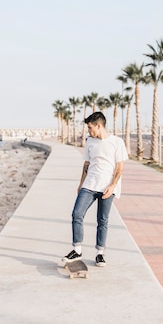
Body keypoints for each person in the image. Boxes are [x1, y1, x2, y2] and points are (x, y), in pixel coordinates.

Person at [62, 111, 128, 267]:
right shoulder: (90, 141)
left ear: (99, 126)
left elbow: (120, 168)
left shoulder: (117, 142)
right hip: (90, 185)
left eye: (91, 128)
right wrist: (80, 184)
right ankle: (77, 250)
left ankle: (100, 254)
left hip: (107, 187)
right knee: (77, 213)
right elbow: (86, 164)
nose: (89, 131)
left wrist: (112, 186)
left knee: (102, 220)